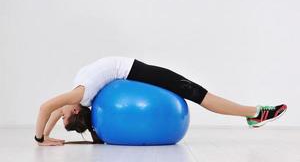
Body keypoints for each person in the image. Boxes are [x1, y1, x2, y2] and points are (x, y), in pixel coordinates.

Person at [34, 56, 287, 146]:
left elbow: (52, 110)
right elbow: (48, 108)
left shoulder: (79, 95)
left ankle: (252, 114)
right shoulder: (80, 95)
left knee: (199, 93)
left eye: (62, 117)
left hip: (137, 72)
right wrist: (41, 138)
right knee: (200, 95)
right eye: (65, 116)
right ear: (76, 110)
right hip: (139, 73)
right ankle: (254, 113)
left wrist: (44, 137)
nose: (60, 113)